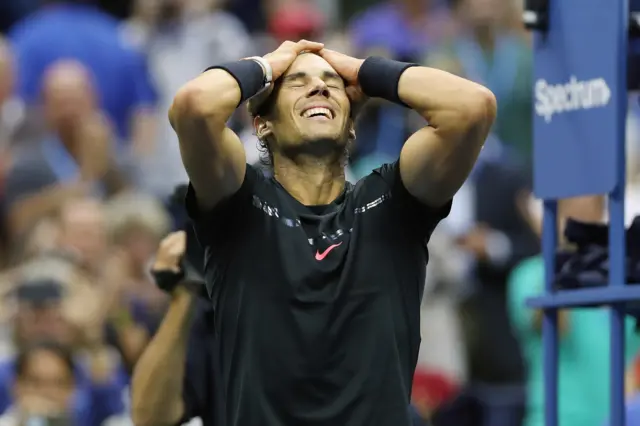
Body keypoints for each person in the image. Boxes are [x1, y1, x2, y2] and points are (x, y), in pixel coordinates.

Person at [131, 39, 496, 426]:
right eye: (298, 82)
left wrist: (362, 71)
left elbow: (472, 108)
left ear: (351, 125)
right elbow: (194, 106)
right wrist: (269, 65)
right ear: (262, 124)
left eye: (330, 82)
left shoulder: (391, 204)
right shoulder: (239, 204)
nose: (319, 86)